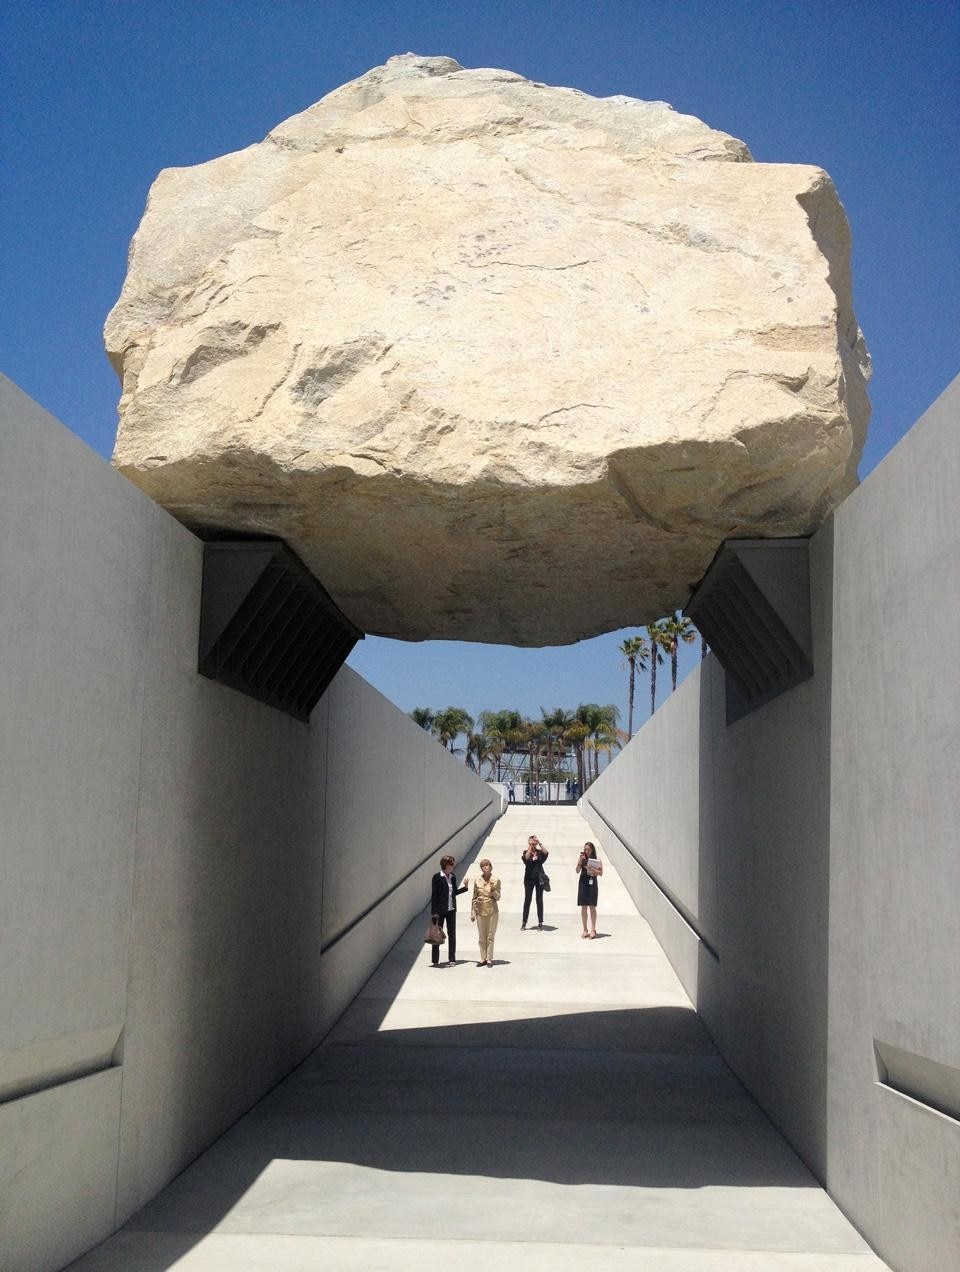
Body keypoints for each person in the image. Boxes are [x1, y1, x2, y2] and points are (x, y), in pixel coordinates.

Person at [429, 854, 468, 966]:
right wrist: (434, 912)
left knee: (452, 934)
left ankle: (452, 959)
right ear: (446, 865)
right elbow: (434, 895)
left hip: (451, 910)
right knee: (436, 935)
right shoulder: (437, 877)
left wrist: (465, 888)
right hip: (439, 911)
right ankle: (435, 960)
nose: (453, 866)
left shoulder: (453, 876)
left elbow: (454, 892)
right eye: (451, 864)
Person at [470, 858, 501, 966]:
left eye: (487, 865)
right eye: (483, 865)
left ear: (491, 867)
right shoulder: (477, 881)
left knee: (490, 935)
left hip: (492, 910)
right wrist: (472, 913)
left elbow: (498, 897)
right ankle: (482, 958)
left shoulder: (496, 880)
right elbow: (474, 897)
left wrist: (493, 890)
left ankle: (489, 958)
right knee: (481, 936)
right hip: (480, 909)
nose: (486, 867)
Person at [521, 834, 549, 930]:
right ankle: (524, 923)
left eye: (534, 842)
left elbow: (546, 853)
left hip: (539, 879)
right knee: (527, 900)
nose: (533, 843)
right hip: (529, 880)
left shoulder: (539, 852)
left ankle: (540, 922)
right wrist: (530, 846)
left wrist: (539, 842)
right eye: (531, 841)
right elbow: (527, 857)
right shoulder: (526, 852)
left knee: (539, 900)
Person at [576, 841, 603, 938]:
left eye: (588, 849)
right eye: (585, 849)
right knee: (583, 907)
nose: (586, 851)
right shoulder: (582, 859)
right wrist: (579, 862)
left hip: (592, 884)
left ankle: (593, 929)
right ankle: (584, 929)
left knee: (592, 907)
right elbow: (577, 871)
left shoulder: (597, 859)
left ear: (592, 850)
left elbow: (600, 873)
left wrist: (590, 867)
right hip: (583, 883)